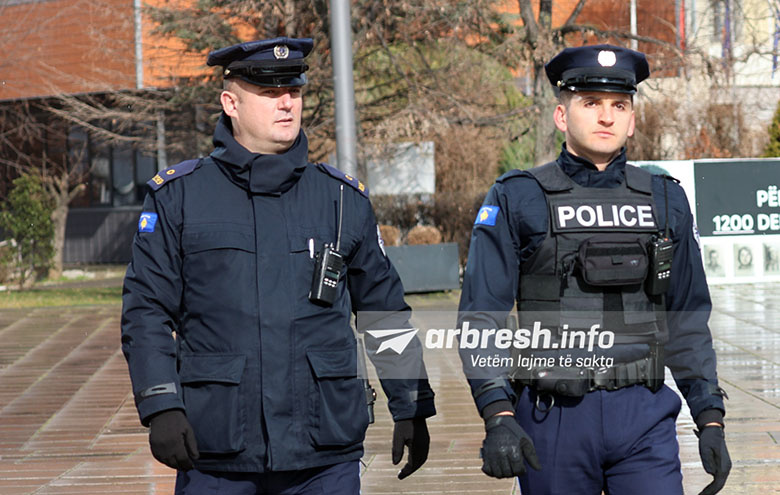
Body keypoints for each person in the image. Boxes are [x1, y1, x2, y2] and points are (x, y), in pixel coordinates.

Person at [121, 37, 435, 494]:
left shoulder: (341, 199)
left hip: (323, 451)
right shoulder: (179, 197)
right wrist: (161, 404)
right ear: (231, 103)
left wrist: (411, 404)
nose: (287, 102)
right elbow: (146, 311)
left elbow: (383, 312)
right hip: (218, 451)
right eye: (270, 92)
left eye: (294, 90)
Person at [457, 44, 730, 495]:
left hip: (644, 415)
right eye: (590, 103)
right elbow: (481, 316)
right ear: (561, 116)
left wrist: (709, 416)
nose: (606, 117)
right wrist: (498, 412)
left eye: (619, 105)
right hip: (554, 418)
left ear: (632, 119)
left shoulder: (666, 199)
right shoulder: (518, 197)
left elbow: (688, 318)